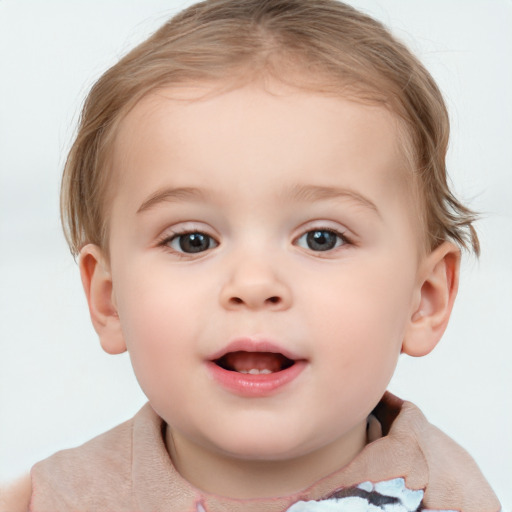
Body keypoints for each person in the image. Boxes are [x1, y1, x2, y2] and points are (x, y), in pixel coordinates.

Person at [1, 0, 503, 510]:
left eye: (321, 238)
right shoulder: (55, 500)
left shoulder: (450, 496)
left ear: (424, 299)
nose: (254, 283)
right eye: (192, 240)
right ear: (109, 300)